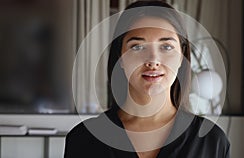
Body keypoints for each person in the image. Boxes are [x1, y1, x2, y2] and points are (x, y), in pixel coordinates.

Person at [64, 1, 230, 158]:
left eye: (166, 47)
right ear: (120, 57)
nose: (153, 60)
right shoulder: (84, 139)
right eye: (137, 47)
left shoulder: (212, 142)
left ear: (181, 58)